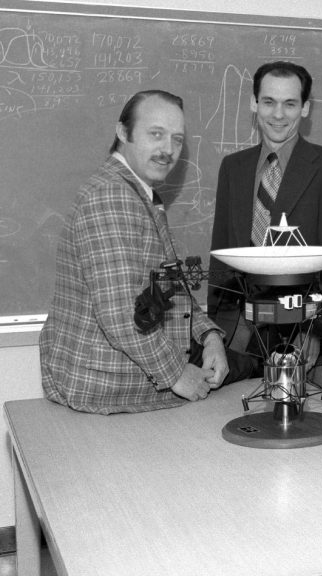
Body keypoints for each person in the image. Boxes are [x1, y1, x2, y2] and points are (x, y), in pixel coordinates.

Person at [40, 90, 258, 415]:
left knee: (250, 362)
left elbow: (168, 289)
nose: (168, 150)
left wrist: (211, 337)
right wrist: (175, 374)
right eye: (156, 134)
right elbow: (120, 314)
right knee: (260, 369)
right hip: (106, 384)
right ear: (123, 132)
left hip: (132, 368)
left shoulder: (138, 193)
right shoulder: (112, 197)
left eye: (177, 139)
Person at [208, 61, 322, 379]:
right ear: (253, 103)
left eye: (290, 104)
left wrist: (315, 331)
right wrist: (213, 334)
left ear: (305, 108)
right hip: (238, 331)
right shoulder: (233, 168)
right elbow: (220, 254)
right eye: (269, 101)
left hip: (300, 331)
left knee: (300, 423)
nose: (278, 114)